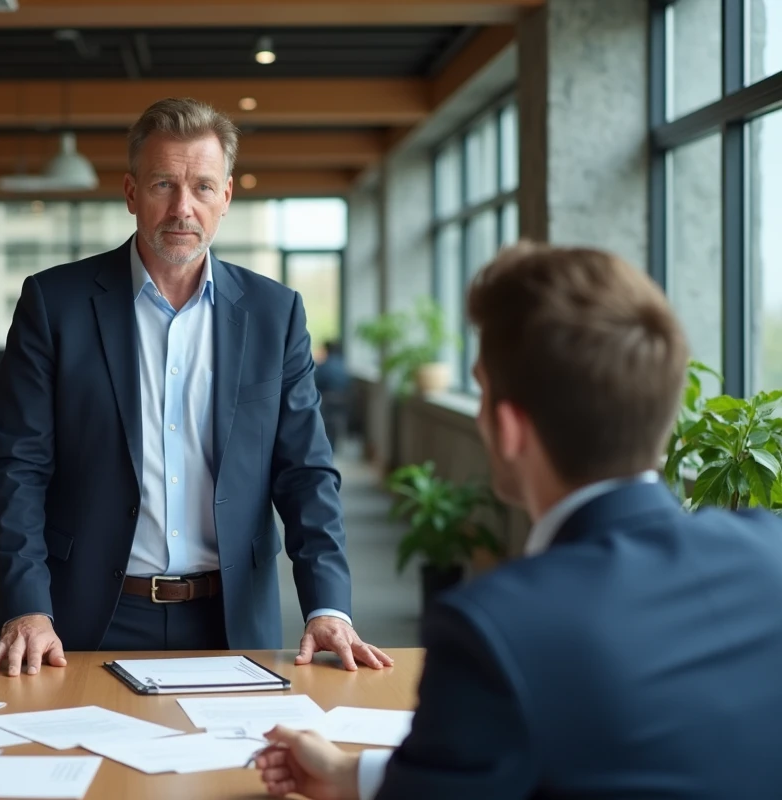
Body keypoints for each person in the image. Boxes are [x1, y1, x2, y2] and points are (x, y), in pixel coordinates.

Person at [253, 243, 782, 799]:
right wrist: (346, 775)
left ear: (508, 428)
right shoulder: (770, 556)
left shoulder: (495, 628)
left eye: (480, 390)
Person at [0, 97, 391, 677]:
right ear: (130, 193)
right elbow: (17, 467)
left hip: (232, 618)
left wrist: (328, 605)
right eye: (162, 184)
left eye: (201, 186)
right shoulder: (55, 304)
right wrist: (26, 610)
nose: (182, 207)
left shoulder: (276, 314)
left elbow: (306, 473)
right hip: (84, 619)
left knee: (240, 771)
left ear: (225, 198)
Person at [313, 340, 350, 452]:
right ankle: (334, 444)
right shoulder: (344, 366)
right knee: (336, 423)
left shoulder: (323, 366)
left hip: (326, 401)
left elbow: (315, 384)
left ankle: (327, 446)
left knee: (326, 424)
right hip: (342, 401)